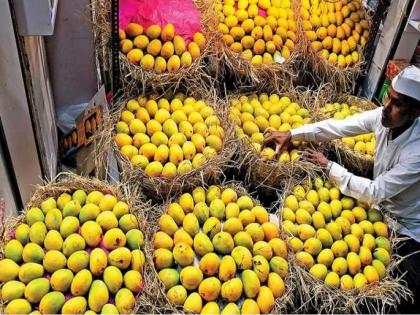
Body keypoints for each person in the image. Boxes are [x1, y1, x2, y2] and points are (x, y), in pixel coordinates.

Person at [263, 66, 420, 312]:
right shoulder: (383, 118)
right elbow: (339, 127)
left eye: (397, 103)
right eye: (388, 95)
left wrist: (330, 167)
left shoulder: (417, 152)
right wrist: (293, 133)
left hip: (407, 225)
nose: (386, 106)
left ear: (415, 113)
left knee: (401, 298)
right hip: (376, 211)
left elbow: (376, 191)